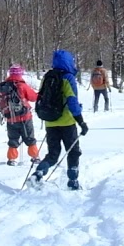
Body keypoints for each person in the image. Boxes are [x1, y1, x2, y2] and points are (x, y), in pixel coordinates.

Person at [32, 49, 87, 190]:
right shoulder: (68, 78)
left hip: (50, 122)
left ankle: (38, 173)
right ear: (69, 62)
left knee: (53, 154)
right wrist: (81, 121)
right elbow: (72, 102)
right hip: (67, 122)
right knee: (73, 151)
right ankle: (73, 181)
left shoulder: (47, 77)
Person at [0, 65, 40, 165]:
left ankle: (11, 159)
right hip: (24, 117)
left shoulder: (4, 87)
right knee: (29, 137)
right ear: (20, 74)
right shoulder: (22, 85)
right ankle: (35, 157)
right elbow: (33, 97)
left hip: (10, 118)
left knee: (13, 139)